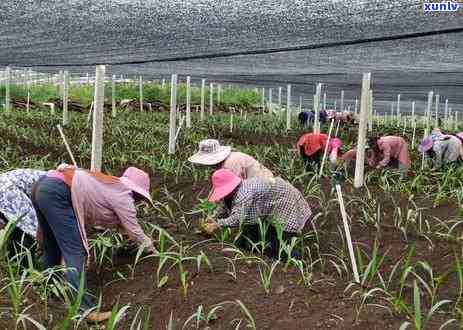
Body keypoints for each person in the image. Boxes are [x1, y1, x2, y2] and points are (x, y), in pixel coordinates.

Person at [31, 165, 155, 323]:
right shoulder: (124, 195)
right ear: (136, 192)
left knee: (52, 246)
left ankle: (49, 292)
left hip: (43, 185)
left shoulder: (110, 185)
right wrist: (150, 248)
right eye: (140, 198)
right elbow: (134, 230)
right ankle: (86, 311)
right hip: (57, 192)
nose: (138, 201)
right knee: (76, 252)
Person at [202, 169, 312, 260]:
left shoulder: (244, 193)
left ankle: (298, 264)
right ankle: (257, 252)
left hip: (287, 203)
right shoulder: (232, 192)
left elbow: (237, 219)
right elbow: (224, 205)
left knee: (281, 243)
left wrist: (216, 225)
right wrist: (214, 217)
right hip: (273, 205)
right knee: (267, 241)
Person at [0, 169, 47, 266]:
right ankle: (19, 265)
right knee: (23, 231)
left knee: (26, 232)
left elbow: (32, 227)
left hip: (13, 191)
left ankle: (23, 268)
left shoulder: (6, 192)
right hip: (10, 191)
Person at [188, 139, 274, 179]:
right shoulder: (228, 160)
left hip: (266, 186)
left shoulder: (229, 165)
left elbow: (235, 188)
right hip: (259, 183)